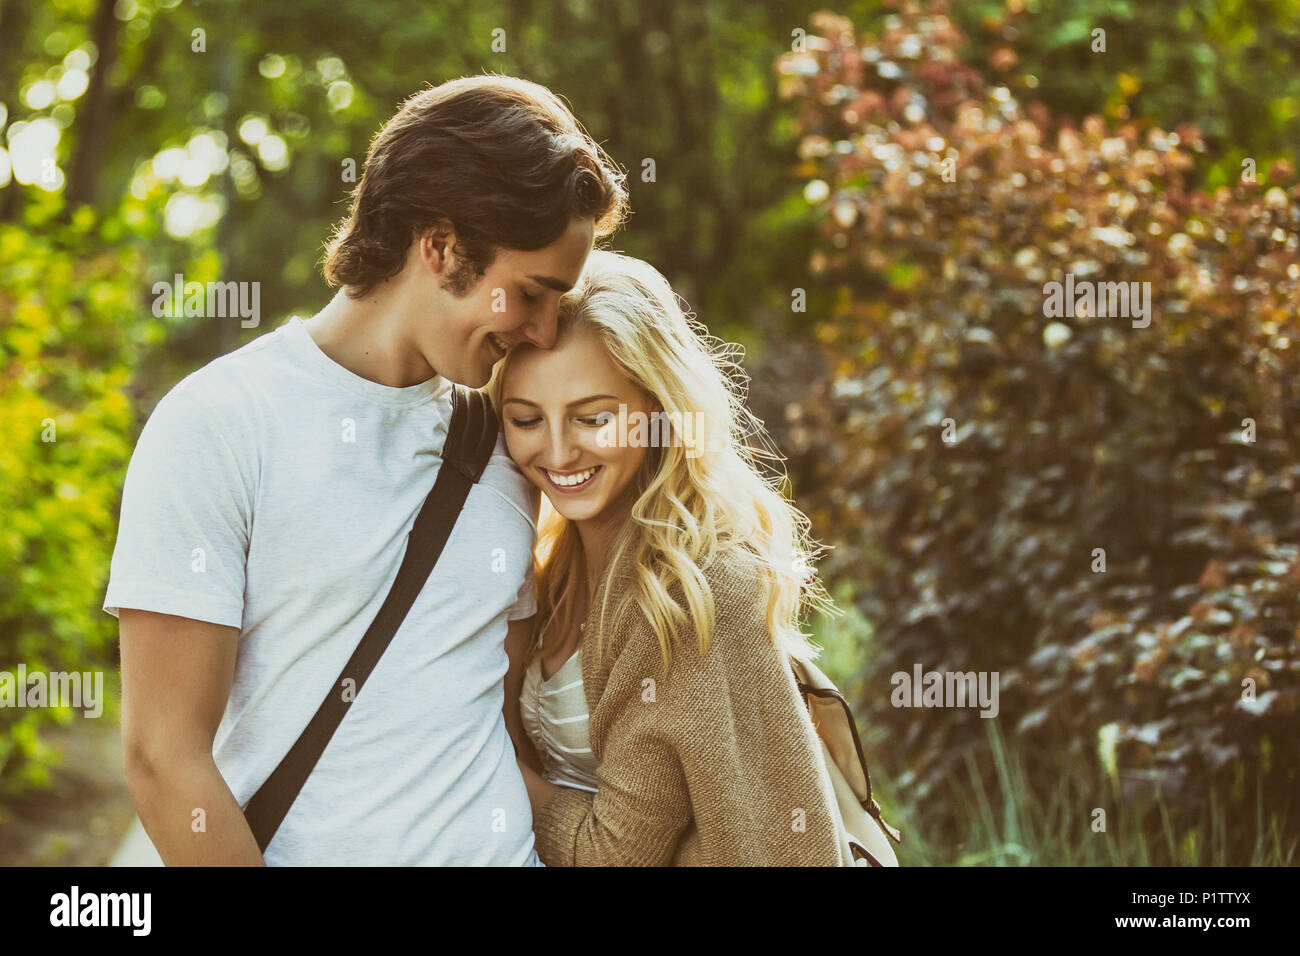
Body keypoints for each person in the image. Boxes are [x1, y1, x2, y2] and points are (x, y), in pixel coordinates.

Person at [104, 75, 627, 865]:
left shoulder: (510, 441)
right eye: (530, 293)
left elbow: (503, 723)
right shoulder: (221, 423)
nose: (546, 331)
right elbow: (163, 759)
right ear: (441, 245)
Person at [486, 250, 848, 865]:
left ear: (657, 411)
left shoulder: (696, 589)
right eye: (525, 420)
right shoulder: (549, 571)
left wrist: (486, 775)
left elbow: (613, 855)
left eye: (593, 418)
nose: (557, 451)